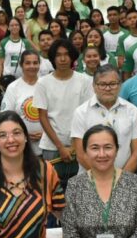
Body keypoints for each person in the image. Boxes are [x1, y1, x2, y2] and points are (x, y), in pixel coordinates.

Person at [34, 39, 93, 180]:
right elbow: (43, 117)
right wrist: (60, 147)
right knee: (52, 186)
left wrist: (74, 146)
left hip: (79, 145)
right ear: (53, 58)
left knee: (79, 186)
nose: (62, 59)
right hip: (51, 146)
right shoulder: (43, 83)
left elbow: (88, 114)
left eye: (66, 54)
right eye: (58, 55)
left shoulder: (85, 81)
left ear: (72, 57)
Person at [71, 65, 137, 172]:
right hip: (89, 177)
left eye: (113, 84)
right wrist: (103, 178)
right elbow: (81, 154)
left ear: (120, 85)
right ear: (94, 86)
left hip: (124, 177)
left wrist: (121, 178)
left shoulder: (132, 111)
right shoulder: (81, 112)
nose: (108, 88)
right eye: (102, 84)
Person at [0, 50, 44, 155]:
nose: (32, 66)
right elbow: (5, 117)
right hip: (21, 146)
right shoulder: (13, 88)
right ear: (21, 65)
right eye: (28, 63)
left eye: (35, 63)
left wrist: (46, 133)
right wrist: (22, 133)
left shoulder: (46, 85)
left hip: (46, 145)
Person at [0, 17, 33, 90]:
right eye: (12, 25)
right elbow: (0, 63)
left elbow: (30, 60)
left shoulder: (25, 42)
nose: (14, 27)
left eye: (16, 25)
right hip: (8, 77)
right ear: (8, 28)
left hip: (23, 77)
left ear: (20, 27)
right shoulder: (4, 42)